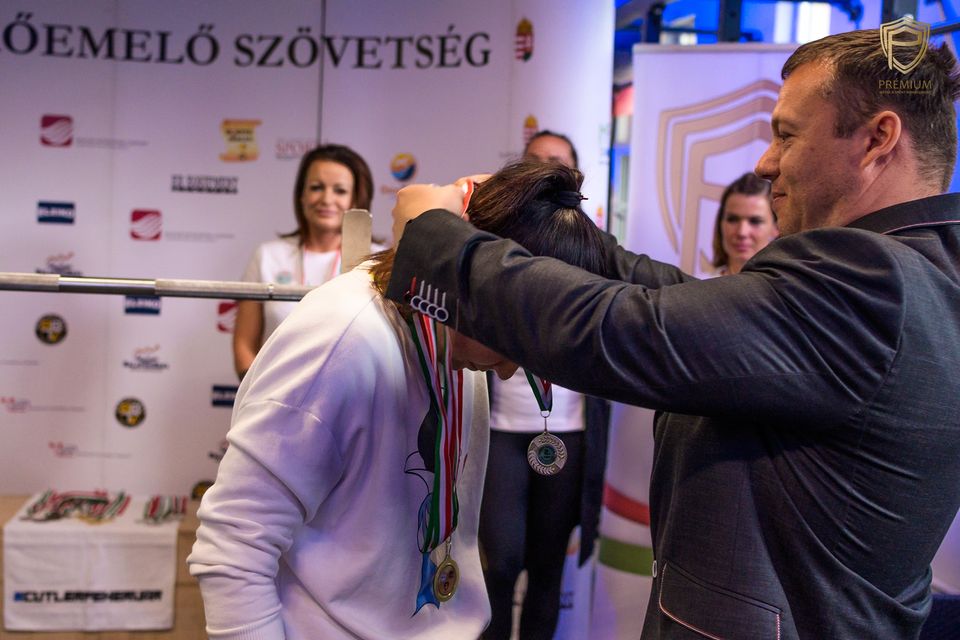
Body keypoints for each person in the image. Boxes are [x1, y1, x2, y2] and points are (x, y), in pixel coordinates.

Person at [384, 29, 960, 639]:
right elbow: (687, 306)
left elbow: (629, 331)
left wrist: (435, 239)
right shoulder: (914, 276)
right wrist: (562, 236)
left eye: (787, 135)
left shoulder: (873, 284)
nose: (766, 163)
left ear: (877, 138)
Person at [187, 159, 609, 640]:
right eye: (514, 340)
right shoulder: (340, 340)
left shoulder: (453, 343)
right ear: (469, 277)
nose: (510, 370)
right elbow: (234, 548)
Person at [479, 131, 609, 640]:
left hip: (569, 431)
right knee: (499, 562)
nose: (544, 173)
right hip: (500, 430)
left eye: (555, 164)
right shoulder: (492, 247)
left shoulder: (592, 252)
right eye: (533, 163)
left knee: (549, 567)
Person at [232, 143, 376, 380]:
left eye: (340, 190)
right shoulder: (268, 256)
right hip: (272, 392)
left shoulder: (376, 262)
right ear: (301, 195)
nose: (327, 199)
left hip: (350, 396)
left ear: (355, 200)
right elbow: (244, 345)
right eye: (316, 187)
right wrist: (259, 393)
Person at [710, 172, 779, 275]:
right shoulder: (697, 284)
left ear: (777, 227)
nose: (742, 232)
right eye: (733, 219)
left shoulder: (790, 285)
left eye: (755, 221)